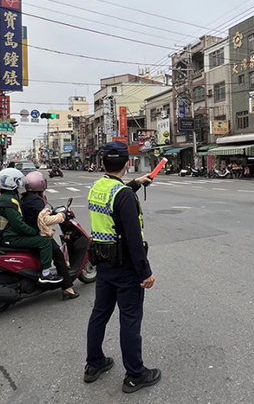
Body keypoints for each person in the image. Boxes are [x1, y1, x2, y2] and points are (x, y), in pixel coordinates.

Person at [84, 142, 160, 394]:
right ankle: (135, 374)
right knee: (130, 319)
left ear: (103, 164)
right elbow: (133, 239)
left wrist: (136, 184)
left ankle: (94, 364)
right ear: (127, 163)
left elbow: (115, 199)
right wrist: (145, 272)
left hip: (103, 264)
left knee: (100, 314)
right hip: (126, 267)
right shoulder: (123, 195)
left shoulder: (98, 187)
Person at [0, 168, 63, 284]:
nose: (20, 184)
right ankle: (46, 273)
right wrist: (35, 232)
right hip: (11, 237)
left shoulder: (9, 197)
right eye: (17, 181)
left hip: (10, 235)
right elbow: (19, 225)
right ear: (11, 183)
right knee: (44, 241)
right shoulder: (8, 201)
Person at [19, 171, 79, 299]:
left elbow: (41, 214)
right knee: (59, 257)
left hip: (29, 231)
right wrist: (61, 216)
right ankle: (67, 288)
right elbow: (45, 220)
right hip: (38, 233)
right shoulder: (35, 200)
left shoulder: (25, 197)